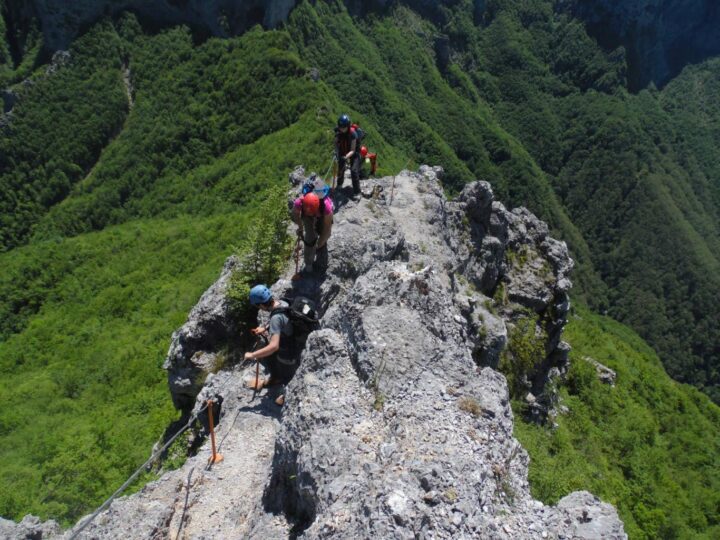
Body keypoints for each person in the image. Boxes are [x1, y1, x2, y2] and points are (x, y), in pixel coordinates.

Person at [244, 285, 296, 405]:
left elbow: (274, 347)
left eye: (258, 306)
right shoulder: (282, 302)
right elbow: (284, 319)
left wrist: (252, 355)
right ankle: (275, 377)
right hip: (295, 337)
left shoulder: (275, 318)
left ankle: (288, 395)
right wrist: (265, 328)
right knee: (269, 356)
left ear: (261, 304)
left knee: (284, 367)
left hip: (291, 349)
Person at [291, 188, 333, 274]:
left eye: (312, 213)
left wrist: (319, 243)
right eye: (308, 212)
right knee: (310, 237)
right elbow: (295, 214)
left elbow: (327, 230)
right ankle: (308, 263)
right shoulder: (299, 202)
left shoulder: (326, 206)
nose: (311, 215)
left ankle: (321, 248)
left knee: (322, 233)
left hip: (321, 213)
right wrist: (300, 226)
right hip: (308, 212)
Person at [335, 114, 361, 195]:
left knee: (353, 171)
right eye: (340, 127)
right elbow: (336, 143)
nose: (341, 129)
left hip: (354, 153)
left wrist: (345, 157)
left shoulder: (353, 134)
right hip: (343, 150)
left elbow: (353, 150)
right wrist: (336, 153)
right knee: (340, 168)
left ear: (348, 126)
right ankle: (339, 185)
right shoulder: (338, 131)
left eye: (343, 127)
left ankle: (357, 192)